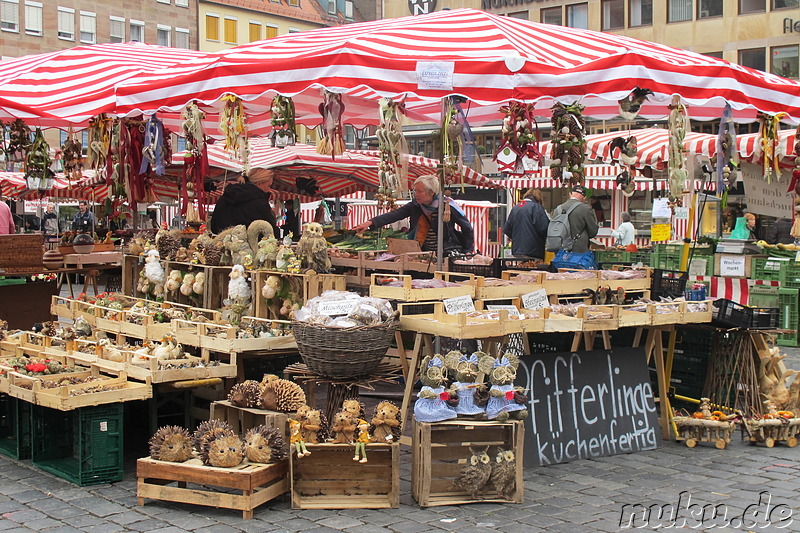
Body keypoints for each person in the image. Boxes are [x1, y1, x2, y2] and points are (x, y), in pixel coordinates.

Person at [353, 174, 474, 255]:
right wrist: (370, 223)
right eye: (415, 191)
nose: (416, 194)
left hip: (447, 252)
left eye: (419, 191)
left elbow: (467, 227)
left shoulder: (447, 206)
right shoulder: (415, 205)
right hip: (423, 253)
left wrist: (468, 250)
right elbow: (395, 215)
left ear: (431, 192)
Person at [209, 168, 278, 235]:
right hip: (250, 245)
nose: (269, 189)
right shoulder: (259, 203)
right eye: (269, 185)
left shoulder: (225, 197)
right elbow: (270, 230)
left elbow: (214, 226)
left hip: (223, 243)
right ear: (259, 183)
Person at [503, 188, 549, 259]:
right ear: (538, 198)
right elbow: (544, 228)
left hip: (517, 250)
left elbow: (507, 229)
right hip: (534, 250)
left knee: (520, 268)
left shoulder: (515, 208)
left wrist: (516, 237)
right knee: (532, 269)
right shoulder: (537, 208)